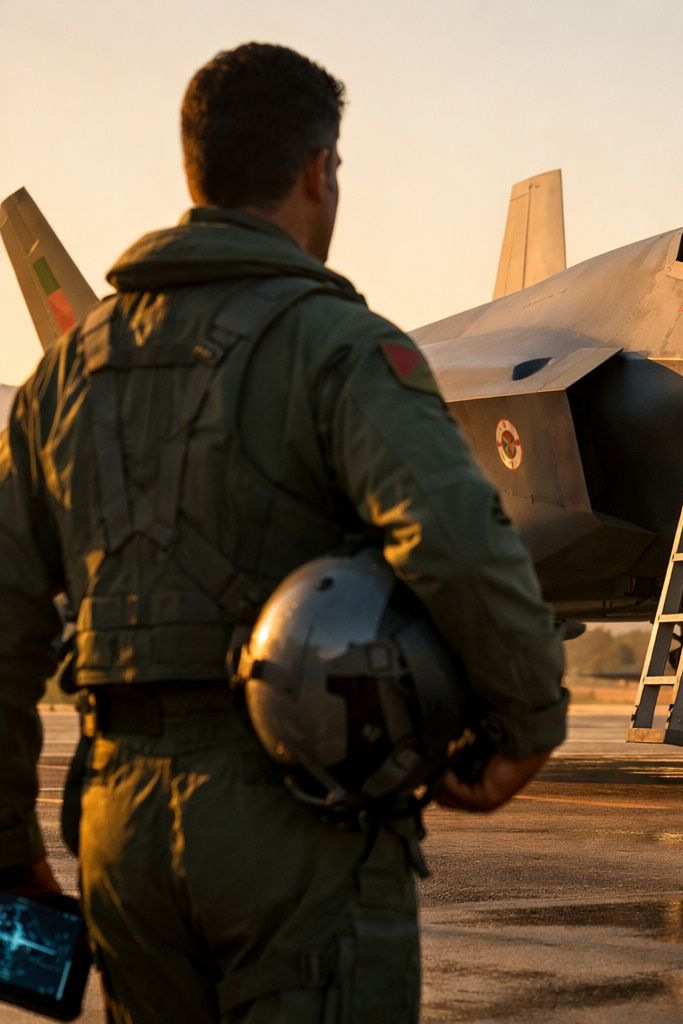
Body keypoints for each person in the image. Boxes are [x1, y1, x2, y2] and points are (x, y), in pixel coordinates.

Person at [0, 42, 567, 1021]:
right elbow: (459, 542)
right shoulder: (336, 345)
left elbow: (3, 625)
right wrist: (528, 724)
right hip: (295, 824)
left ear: (198, 171)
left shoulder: (60, 377)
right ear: (318, 169)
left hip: (116, 830)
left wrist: (9, 841)